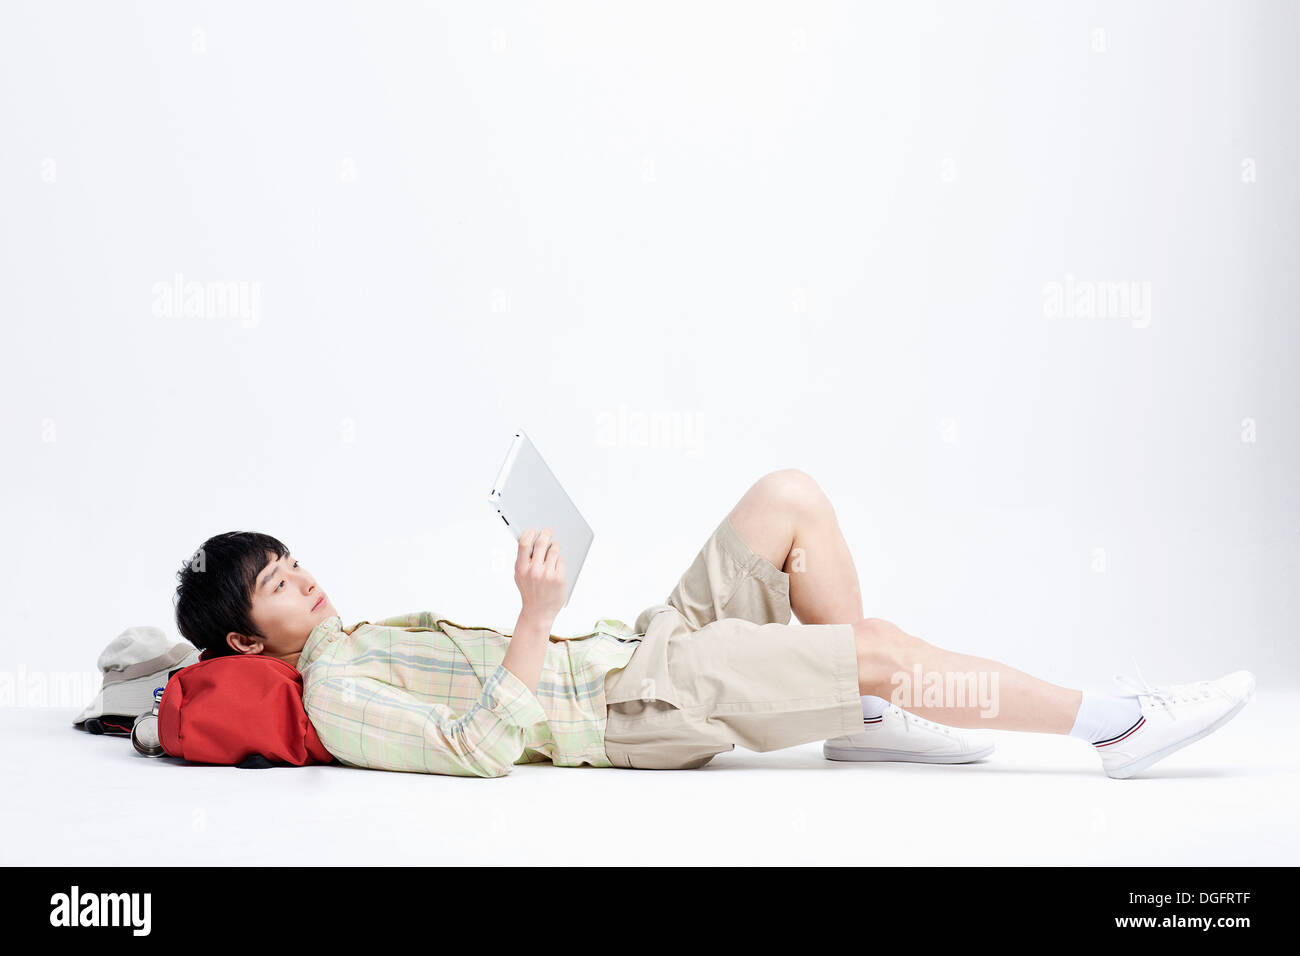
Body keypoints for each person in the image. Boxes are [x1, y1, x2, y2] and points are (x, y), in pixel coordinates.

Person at [173, 469, 1254, 779]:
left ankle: (863, 715)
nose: (303, 579)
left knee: (790, 497)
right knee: (874, 648)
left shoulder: (363, 636)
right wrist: (534, 616)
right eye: (276, 584)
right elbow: (482, 747)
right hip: (635, 705)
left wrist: (553, 610)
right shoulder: (335, 689)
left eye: (292, 559)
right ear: (242, 641)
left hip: (635, 646)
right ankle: (1113, 724)